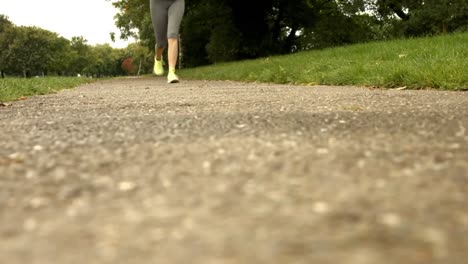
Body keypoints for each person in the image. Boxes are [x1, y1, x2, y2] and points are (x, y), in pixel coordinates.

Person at [150, 0, 185, 83]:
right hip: (157, 3)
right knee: (161, 43)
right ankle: (158, 58)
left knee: (172, 34)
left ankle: (171, 72)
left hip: (176, 2)